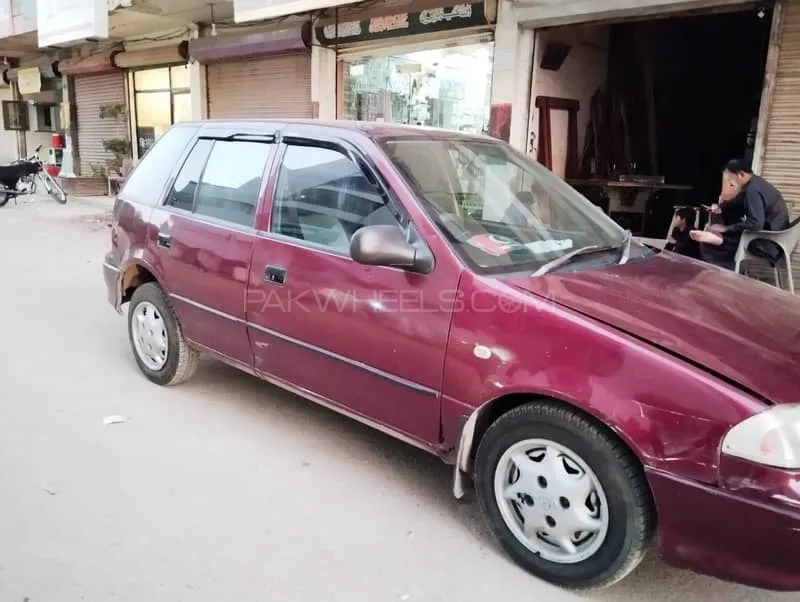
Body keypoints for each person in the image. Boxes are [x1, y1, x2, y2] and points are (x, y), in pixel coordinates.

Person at [690, 159, 790, 269]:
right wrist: (721, 207)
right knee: (731, 213)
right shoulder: (756, 183)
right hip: (774, 237)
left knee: (711, 245)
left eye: (731, 181)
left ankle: (721, 242)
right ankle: (718, 238)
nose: (730, 184)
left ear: (741, 175)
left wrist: (727, 229)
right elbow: (739, 201)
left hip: (768, 243)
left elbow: (756, 223)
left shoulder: (753, 190)